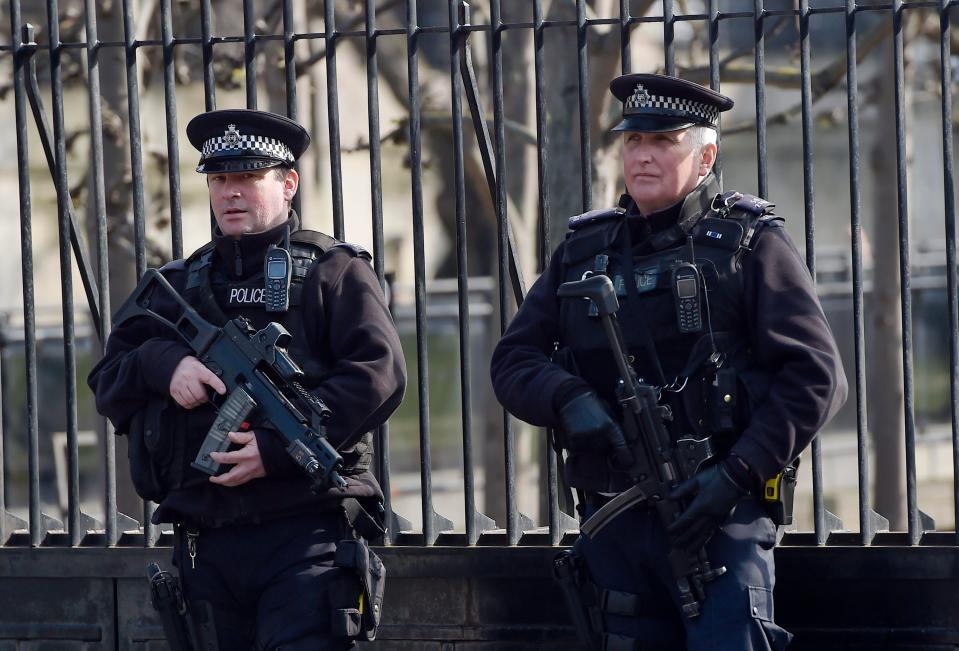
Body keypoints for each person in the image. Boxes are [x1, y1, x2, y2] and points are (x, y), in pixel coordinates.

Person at [490, 74, 847, 649]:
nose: (643, 155)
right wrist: (568, 397)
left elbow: (817, 378)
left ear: (705, 156)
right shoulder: (584, 252)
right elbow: (514, 360)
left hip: (719, 516)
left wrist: (736, 474)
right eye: (633, 142)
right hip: (616, 521)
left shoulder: (749, 246)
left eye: (662, 141)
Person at [88, 108, 407, 650]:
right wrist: (166, 366)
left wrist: (274, 450)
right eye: (219, 179)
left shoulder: (334, 272)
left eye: (247, 178)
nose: (230, 192)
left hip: (304, 535)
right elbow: (107, 379)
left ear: (288, 184)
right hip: (204, 546)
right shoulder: (176, 284)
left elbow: (380, 376)